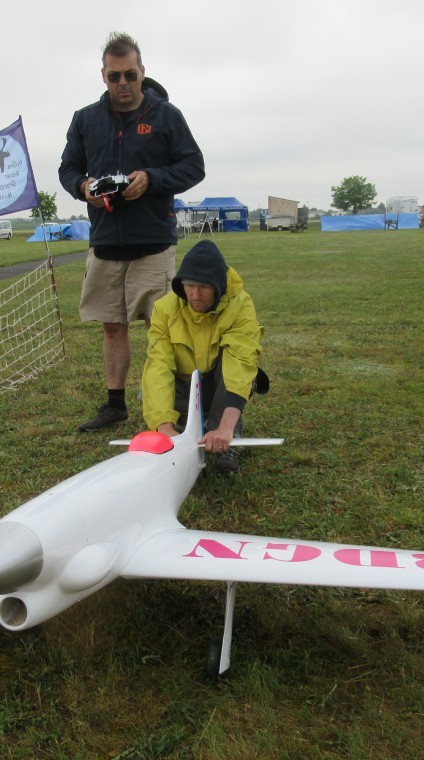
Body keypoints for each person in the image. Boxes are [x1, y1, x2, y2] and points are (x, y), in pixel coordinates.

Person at [59, 31, 206, 432]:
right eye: (114, 76)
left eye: (129, 75)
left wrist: (152, 179)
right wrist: (83, 187)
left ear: (142, 71)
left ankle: (174, 407)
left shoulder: (166, 116)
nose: (122, 83)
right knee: (112, 324)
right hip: (106, 241)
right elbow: (68, 169)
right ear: (103, 76)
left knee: (160, 327)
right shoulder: (85, 119)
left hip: (153, 242)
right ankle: (115, 405)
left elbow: (193, 167)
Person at [141, 239, 264, 474]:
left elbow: (241, 361)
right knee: (150, 379)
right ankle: (180, 427)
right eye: (189, 285)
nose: (195, 295)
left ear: (219, 285)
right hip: (185, 386)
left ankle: (228, 440)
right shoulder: (164, 308)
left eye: (204, 287)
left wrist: (225, 427)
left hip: (219, 385)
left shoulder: (241, 305)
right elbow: (159, 365)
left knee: (244, 371)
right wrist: (163, 426)